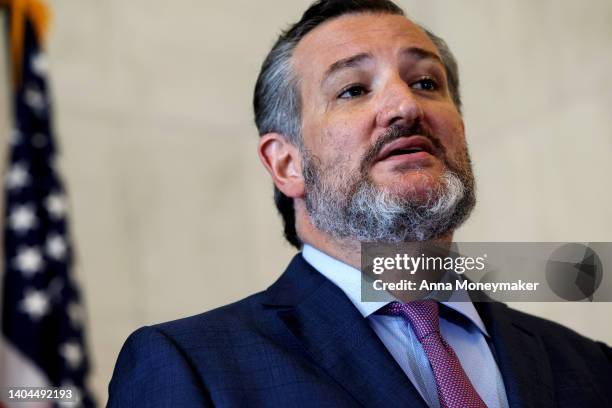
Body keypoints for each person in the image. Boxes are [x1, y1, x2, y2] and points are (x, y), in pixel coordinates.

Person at [108, 1, 612, 406]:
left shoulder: (591, 367)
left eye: (425, 82)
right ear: (287, 164)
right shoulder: (191, 366)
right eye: (352, 89)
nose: (405, 106)